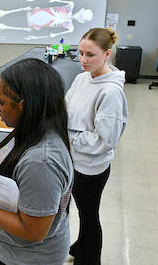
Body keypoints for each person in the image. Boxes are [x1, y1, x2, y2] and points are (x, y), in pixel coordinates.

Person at [0, 58, 74, 264]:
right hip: (11, 249)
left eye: (2, 102)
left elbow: (33, 231)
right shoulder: (35, 129)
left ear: (23, 106)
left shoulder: (41, 162)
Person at [65, 28, 128, 264]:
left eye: (90, 55)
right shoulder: (82, 78)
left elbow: (104, 140)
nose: (83, 60)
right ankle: (80, 245)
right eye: (80, 53)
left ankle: (90, 258)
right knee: (81, 211)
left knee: (89, 216)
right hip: (73, 160)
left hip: (91, 168)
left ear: (107, 54)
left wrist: (68, 136)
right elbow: (66, 108)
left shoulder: (110, 91)